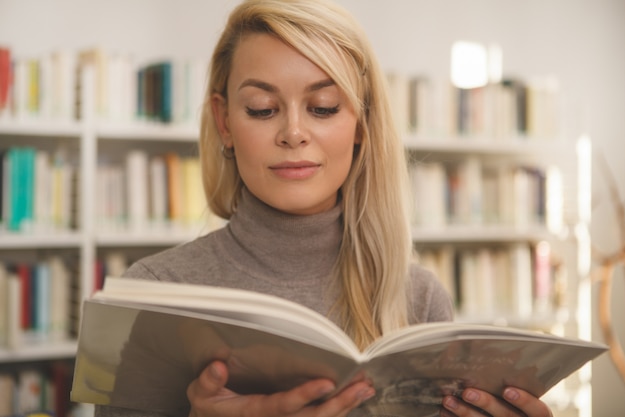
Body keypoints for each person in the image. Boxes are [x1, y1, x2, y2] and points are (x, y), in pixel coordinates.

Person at [96, 0, 555, 416]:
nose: (293, 133)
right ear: (224, 121)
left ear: (361, 122)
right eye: (261, 108)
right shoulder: (144, 292)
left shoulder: (420, 296)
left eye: (323, 106)